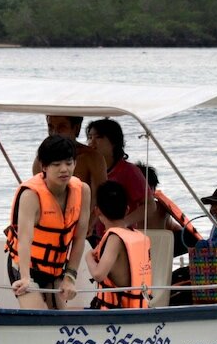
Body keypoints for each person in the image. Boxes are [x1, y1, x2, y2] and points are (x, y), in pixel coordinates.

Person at [5, 135, 92, 309]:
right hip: (25, 266)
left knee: (61, 319)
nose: (64, 170)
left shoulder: (83, 190)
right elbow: (24, 239)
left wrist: (70, 278)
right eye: (56, 164)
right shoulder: (31, 196)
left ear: (75, 163)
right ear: (44, 166)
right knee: (37, 316)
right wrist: (25, 278)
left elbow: (79, 239)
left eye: (68, 163)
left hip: (55, 268)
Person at [32, 115, 107, 232]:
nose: (55, 132)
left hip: (86, 226)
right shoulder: (40, 160)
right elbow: (38, 197)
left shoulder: (92, 157)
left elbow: (99, 197)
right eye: (50, 127)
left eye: (62, 127)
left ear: (76, 128)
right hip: (51, 225)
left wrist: (87, 225)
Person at [86, 181, 153, 309]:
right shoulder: (137, 236)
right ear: (127, 209)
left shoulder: (114, 239)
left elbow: (99, 274)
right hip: (139, 307)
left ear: (97, 211)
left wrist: (88, 257)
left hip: (117, 312)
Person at [85, 118, 153, 239]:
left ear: (114, 141)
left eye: (99, 137)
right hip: (93, 238)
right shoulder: (87, 170)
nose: (92, 142)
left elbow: (150, 206)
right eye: (89, 137)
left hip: (121, 238)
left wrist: (123, 223)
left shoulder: (129, 171)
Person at [135, 162, 202, 256]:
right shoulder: (161, 209)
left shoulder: (161, 210)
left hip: (146, 253)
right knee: (190, 238)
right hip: (155, 255)